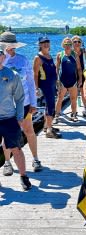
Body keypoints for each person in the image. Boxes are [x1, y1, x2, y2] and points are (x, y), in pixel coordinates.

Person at [0, 31, 42, 174]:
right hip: (5, 106)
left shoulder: (23, 60)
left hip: (24, 103)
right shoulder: (1, 60)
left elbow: (30, 83)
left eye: (13, 46)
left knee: (29, 131)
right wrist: (4, 57)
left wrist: (34, 103)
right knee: (6, 135)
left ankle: (35, 158)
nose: (11, 48)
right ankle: (7, 162)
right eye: (7, 46)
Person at [0, 44, 32, 190]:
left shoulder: (12, 75)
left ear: (3, 57)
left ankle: (23, 176)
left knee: (16, 148)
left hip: (9, 118)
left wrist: (19, 117)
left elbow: (19, 98)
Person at [33, 36, 61, 139]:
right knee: (50, 107)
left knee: (48, 106)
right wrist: (36, 88)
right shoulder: (38, 58)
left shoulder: (49, 56)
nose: (46, 44)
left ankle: (46, 126)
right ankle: (49, 131)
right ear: (40, 45)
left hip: (52, 85)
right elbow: (35, 74)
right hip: (45, 86)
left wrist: (57, 82)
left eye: (47, 42)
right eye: (43, 42)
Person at [54, 37, 82, 123]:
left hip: (73, 81)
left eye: (69, 44)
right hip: (63, 81)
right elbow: (57, 68)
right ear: (63, 45)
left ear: (72, 45)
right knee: (60, 98)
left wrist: (80, 79)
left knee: (73, 98)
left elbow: (79, 69)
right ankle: (57, 115)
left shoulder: (75, 55)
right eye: (66, 44)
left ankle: (73, 114)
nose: (68, 46)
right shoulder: (60, 55)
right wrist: (57, 80)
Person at [72, 35, 86, 118]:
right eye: (75, 42)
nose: (77, 43)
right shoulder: (70, 51)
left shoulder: (83, 51)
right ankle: (74, 111)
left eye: (79, 41)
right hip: (72, 74)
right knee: (73, 94)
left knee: (83, 92)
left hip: (82, 73)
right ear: (72, 43)